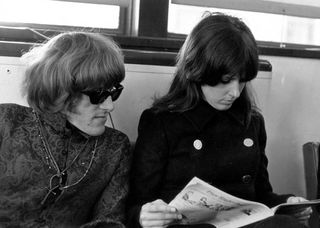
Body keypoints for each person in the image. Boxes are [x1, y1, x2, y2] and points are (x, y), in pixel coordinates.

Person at [127, 13, 312, 228]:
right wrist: (144, 215)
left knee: (285, 224)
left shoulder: (251, 122)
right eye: (225, 81)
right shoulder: (161, 122)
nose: (234, 92)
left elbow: (262, 197)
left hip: (243, 224)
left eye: (242, 81)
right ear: (197, 71)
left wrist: (287, 203)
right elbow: (136, 204)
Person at [0, 31, 131, 227]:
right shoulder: (6, 122)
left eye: (114, 92)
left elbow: (109, 220)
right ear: (60, 90)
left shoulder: (115, 146)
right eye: (98, 95)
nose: (109, 106)